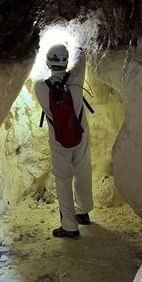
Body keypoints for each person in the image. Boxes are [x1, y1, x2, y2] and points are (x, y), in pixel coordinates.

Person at [33, 43, 93, 238]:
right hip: (80, 134)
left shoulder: (40, 86)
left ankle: (69, 226)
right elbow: (80, 55)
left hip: (58, 140)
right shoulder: (76, 78)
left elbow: (40, 71)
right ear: (66, 61)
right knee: (82, 171)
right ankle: (82, 212)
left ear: (48, 62)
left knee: (63, 179)